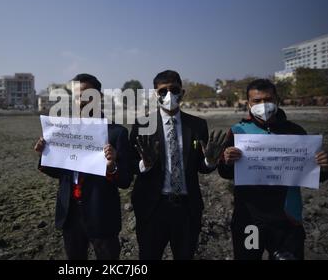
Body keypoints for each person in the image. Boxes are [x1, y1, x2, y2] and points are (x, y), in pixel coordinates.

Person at [218, 79, 328, 260]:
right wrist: (227, 161)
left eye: (268, 100)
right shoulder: (238, 131)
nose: (263, 105)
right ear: (248, 104)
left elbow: (314, 175)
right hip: (250, 220)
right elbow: (225, 173)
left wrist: (323, 168)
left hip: (287, 219)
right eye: (257, 101)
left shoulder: (296, 132)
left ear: (277, 100)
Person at [34, 74, 132, 260]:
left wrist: (112, 167)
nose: (82, 101)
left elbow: (126, 180)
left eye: (89, 96)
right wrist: (45, 155)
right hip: (70, 214)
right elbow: (60, 173)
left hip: (102, 215)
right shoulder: (63, 131)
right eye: (78, 96)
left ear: (99, 97)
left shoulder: (117, 133)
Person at [130, 70, 226, 260]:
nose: (169, 95)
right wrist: (144, 164)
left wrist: (210, 161)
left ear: (182, 92)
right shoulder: (142, 124)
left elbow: (201, 165)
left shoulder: (198, 125)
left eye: (174, 90)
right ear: (155, 95)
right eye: (162, 91)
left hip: (186, 208)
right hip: (152, 208)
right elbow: (130, 163)